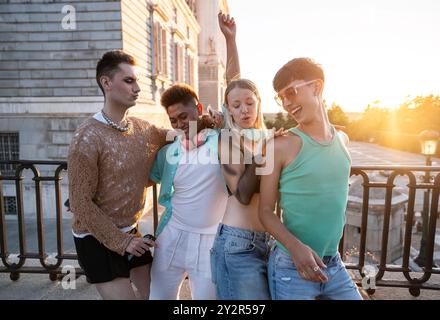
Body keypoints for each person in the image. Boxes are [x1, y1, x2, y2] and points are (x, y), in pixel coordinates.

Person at [258, 57, 363, 300]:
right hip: (290, 265)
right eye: (281, 98)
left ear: (317, 87)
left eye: (291, 93)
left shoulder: (343, 139)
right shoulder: (280, 146)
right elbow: (265, 211)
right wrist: (296, 249)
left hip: (333, 263)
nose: (286, 104)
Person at [67, 50, 169, 300]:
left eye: (137, 81)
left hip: (131, 231)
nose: (137, 88)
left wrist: (209, 125)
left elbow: (176, 134)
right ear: (106, 82)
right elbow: (79, 203)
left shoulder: (142, 129)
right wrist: (121, 243)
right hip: (94, 238)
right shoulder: (87, 137)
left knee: (155, 296)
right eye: (129, 81)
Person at [209, 12, 276, 300]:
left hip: (268, 242)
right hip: (238, 245)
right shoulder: (228, 138)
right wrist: (264, 151)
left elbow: (234, 80)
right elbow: (244, 194)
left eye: (250, 102)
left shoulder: (266, 137)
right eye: (236, 105)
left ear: (259, 103)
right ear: (229, 110)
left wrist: (231, 39)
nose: (244, 109)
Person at [148, 83, 228, 300]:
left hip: (210, 241)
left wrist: (230, 45)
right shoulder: (169, 152)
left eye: (184, 116)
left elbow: (233, 87)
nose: (179, 124)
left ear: (199, 108)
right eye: (173, 120)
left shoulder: (221, 139)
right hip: (171, 237)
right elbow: (143, 179)